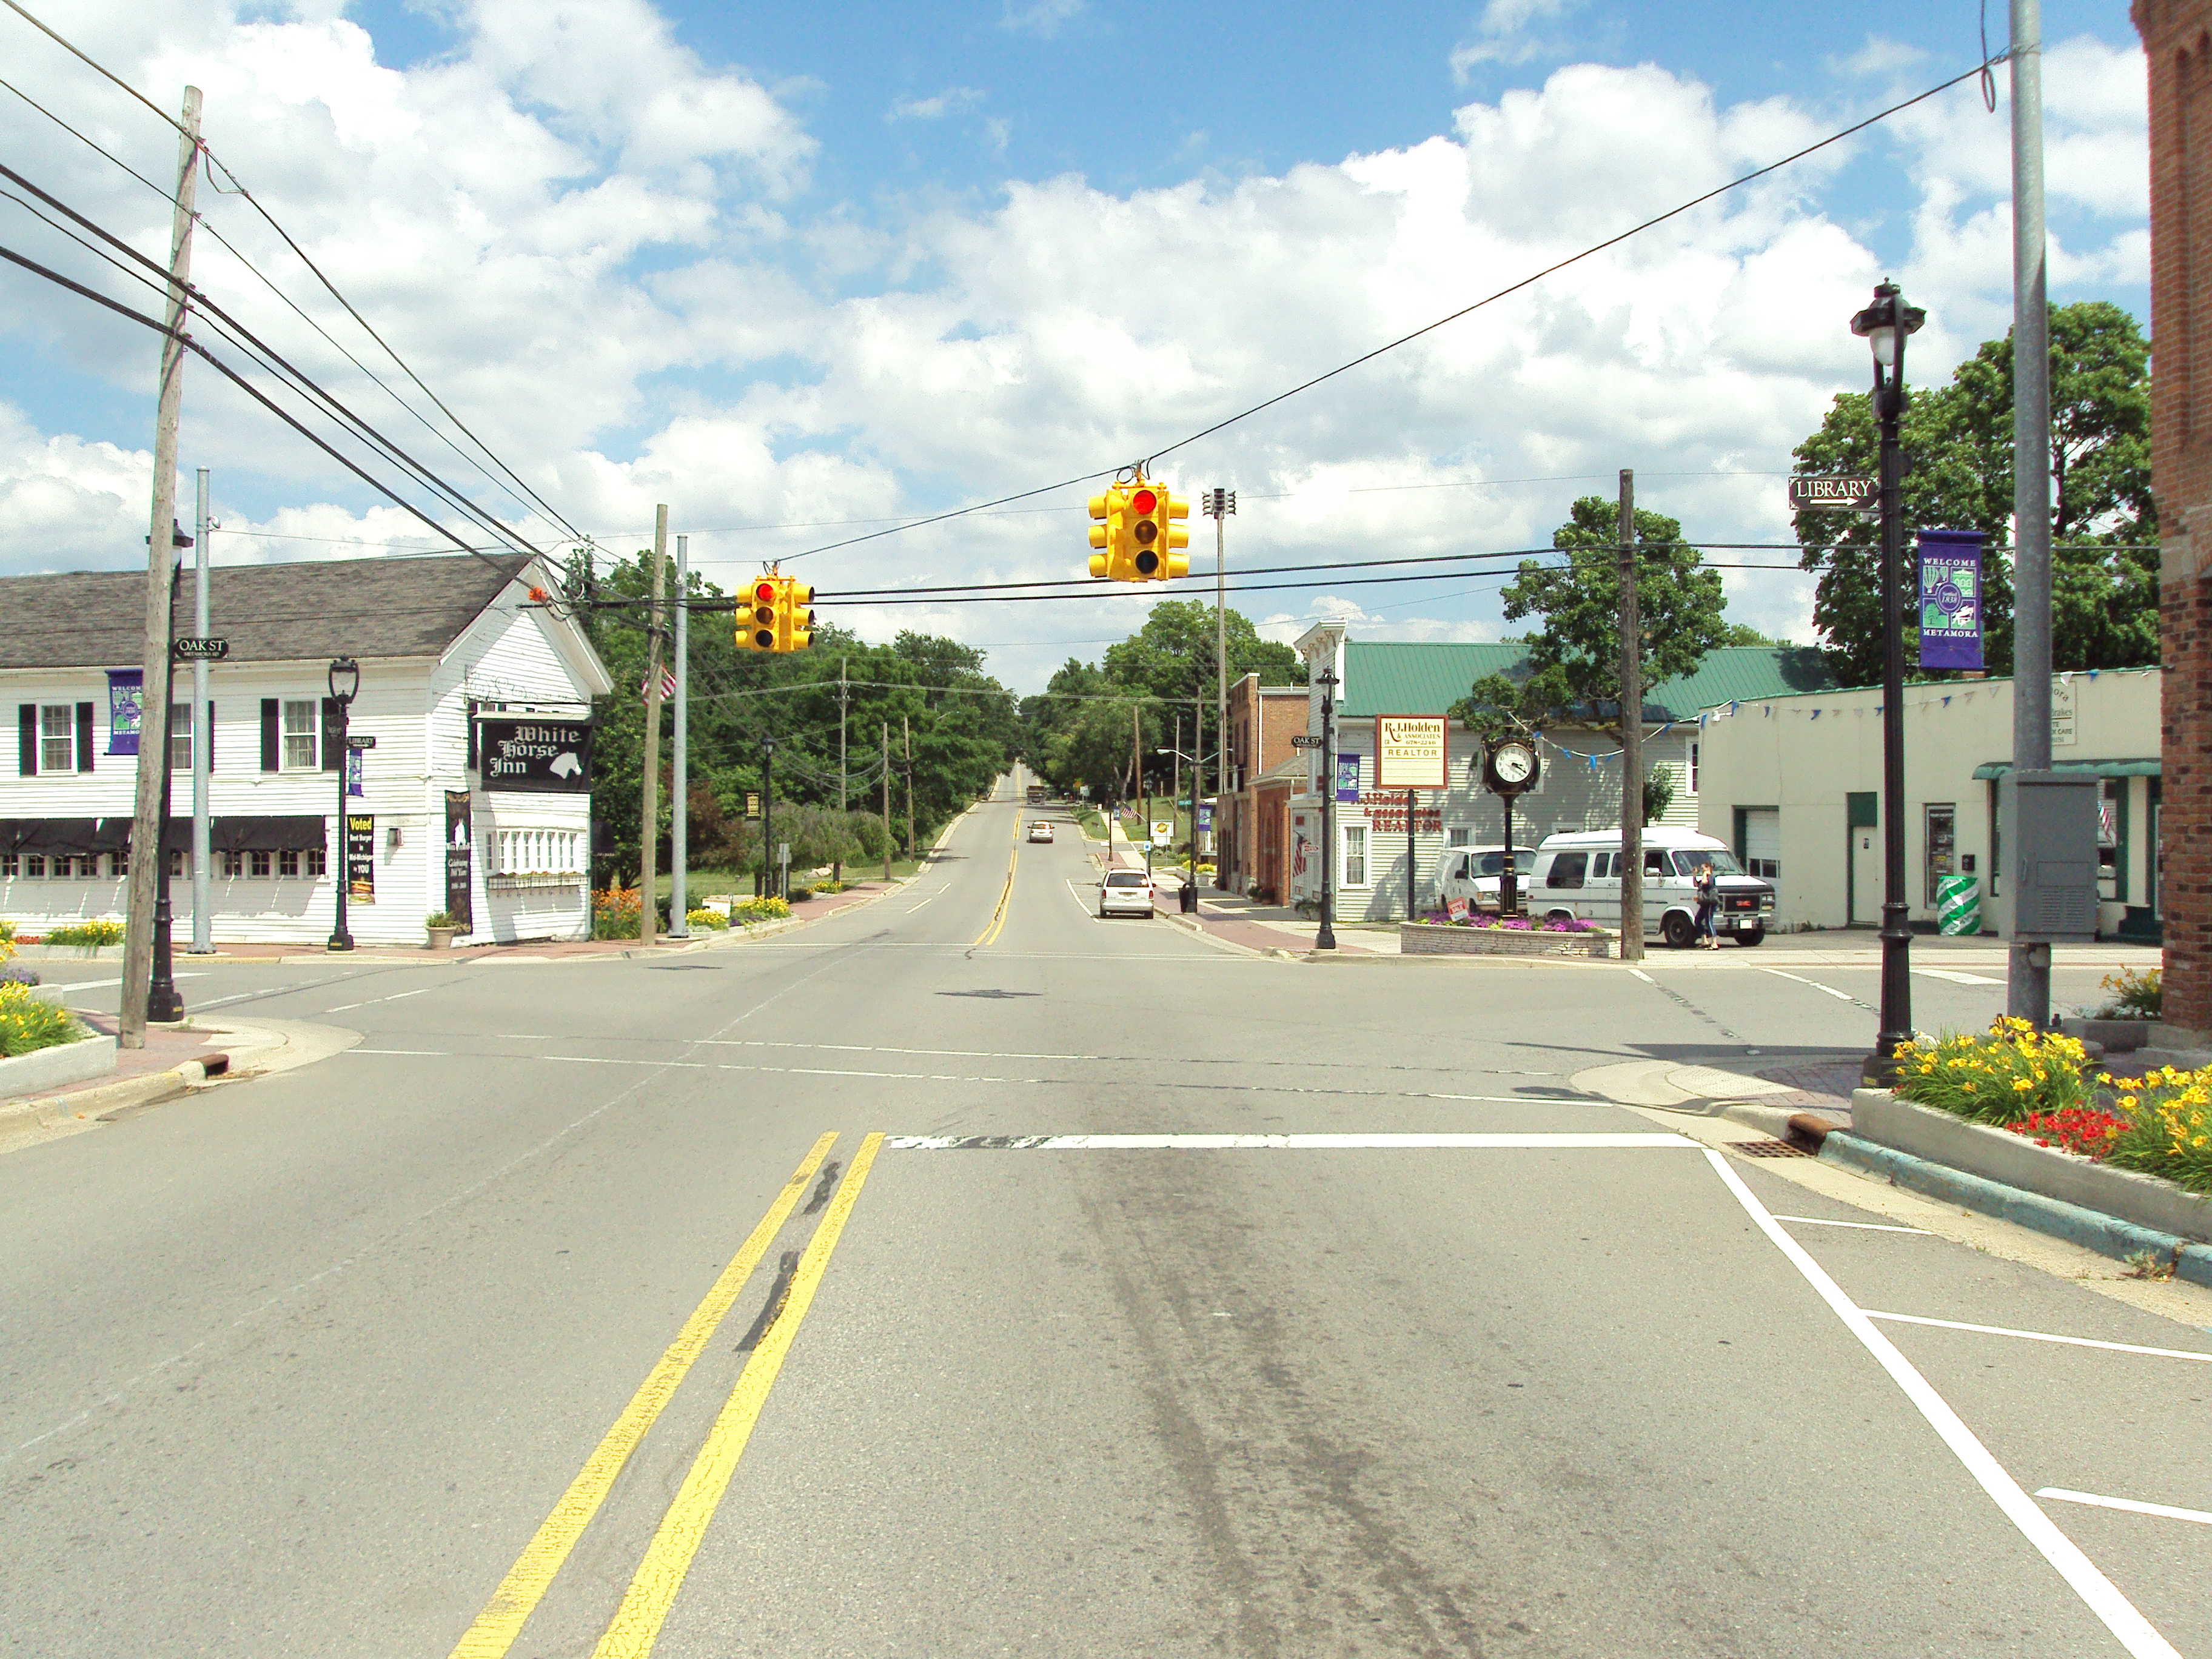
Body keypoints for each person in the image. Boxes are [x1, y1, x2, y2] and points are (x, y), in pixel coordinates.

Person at [1692, 859, 1720, 949]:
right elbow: (1697, 884)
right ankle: (1704, 940)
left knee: (1709, 921)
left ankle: (1714, 943)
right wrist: (1695, 875)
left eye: (1703, 868)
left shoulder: (1710, 877)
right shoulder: (1704, 877)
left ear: (1708, 868)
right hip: (1704, 903)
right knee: (1697, 920)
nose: (1702, 870)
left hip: (1710, 903)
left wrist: (1706, 873)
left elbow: (1705, 882)